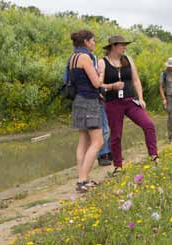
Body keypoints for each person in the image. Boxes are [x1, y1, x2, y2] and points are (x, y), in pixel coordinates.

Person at [98, 35, 159, 176]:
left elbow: (136, 80)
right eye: (122, 45)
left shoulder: (128, 60)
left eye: (126, 45)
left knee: (148, 124)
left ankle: (154, 156)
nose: (125, 47)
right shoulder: (102, 63)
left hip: (130, 100)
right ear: (113, 46)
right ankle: (118, 166)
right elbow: (99, 85)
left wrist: (141, 98)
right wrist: (112, 86)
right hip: (113, 103)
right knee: (116, 135)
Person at [66, 30, 104, 192]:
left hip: (78, 100)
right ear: (86, 42)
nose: (94, 43)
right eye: (93, 41)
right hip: (89, 101)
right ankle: (82, 180)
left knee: (83, 141)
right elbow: (96, 83)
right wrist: (101, 73)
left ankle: (82, 178)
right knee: (98, 142)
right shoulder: (85, 57)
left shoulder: (72, 58)